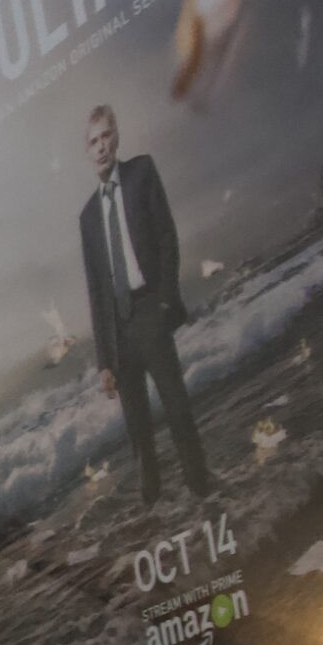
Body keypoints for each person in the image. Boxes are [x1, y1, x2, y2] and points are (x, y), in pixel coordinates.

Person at [78, 103, 212, 503]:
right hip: (118, 332)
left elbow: (167, 237)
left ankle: (202, 488)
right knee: (138, 426)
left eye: (106, 136)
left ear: (116, 137)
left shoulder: (141, 173)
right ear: (86, 151)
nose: (101, 147)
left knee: (176, 407)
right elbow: (96, 290)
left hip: (149, 311)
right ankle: (153, 503)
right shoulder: (87, 216)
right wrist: (104, 360)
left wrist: (166, 299)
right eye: (93, 141)